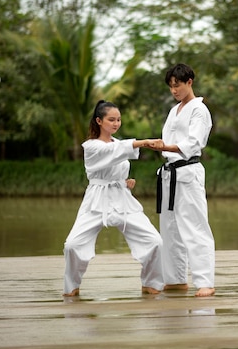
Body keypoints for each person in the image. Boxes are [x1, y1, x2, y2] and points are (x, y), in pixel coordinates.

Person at [63, 100, 165, 298]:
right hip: (96, 200)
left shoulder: (119, 144)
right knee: (72, 245)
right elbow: (109, 154)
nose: (116, 123)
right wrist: (143, 142)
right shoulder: (91, 146)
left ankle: (151, 283)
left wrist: (125, 181)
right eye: (111, 119)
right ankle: (71, 287)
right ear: (99, 121)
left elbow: (116, 161)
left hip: (121, 198)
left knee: (155, 241)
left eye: (118, 119)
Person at [154, 63, 215, 297]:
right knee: (170, 228)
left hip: (188, 171)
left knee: (195, 227)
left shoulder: (199, 110)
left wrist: (165, 146)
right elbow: (168, 139)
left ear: (189, 82)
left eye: (177, 85)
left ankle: (205, 281)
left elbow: (193, 142)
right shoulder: (174, 110)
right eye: (170, 86)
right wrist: (160, 146)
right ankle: (176, 279)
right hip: (170, 173)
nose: (174, 90)